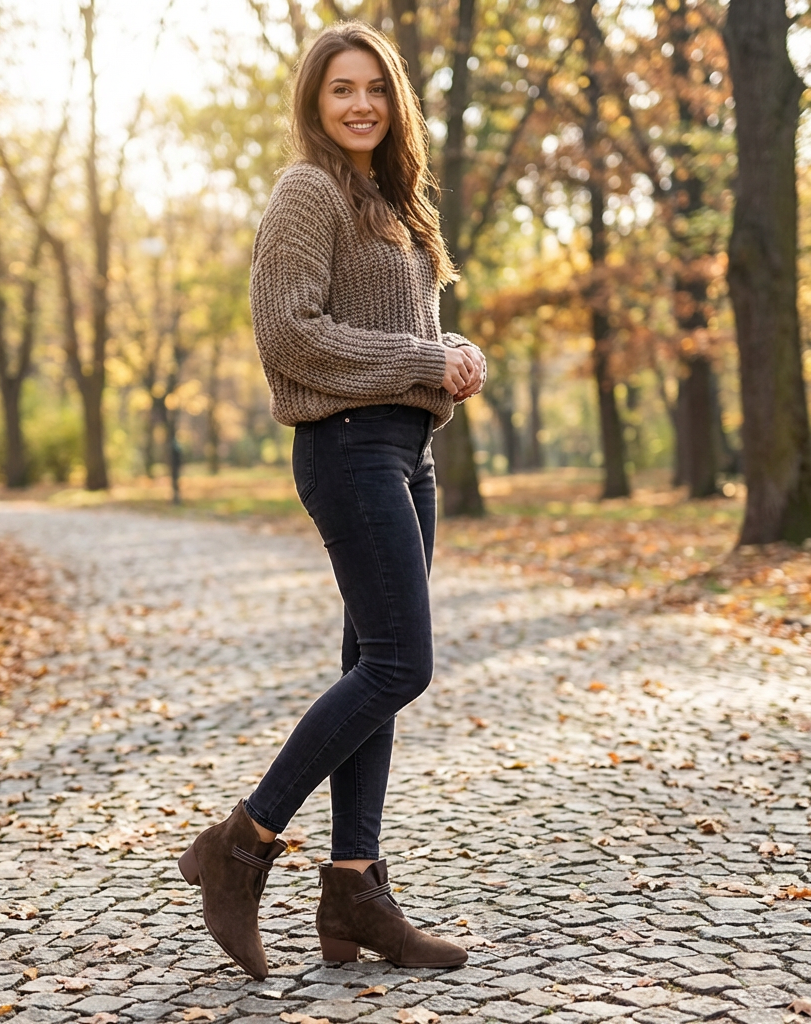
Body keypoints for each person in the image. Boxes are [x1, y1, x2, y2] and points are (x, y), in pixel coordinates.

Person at [178, 21, 487, 981]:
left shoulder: (393, 200)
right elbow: (288, 335)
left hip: (404, 449)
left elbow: (387, 332)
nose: (360, 104)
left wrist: (449, 361)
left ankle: (354, 885)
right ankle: (240, 846)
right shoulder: (307, 191)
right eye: (340, 89)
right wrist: (424, 359)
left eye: (375, 89)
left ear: (396, 102)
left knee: (372, 666)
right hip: (347, 449)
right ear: (315, 104)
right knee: (401, 664)